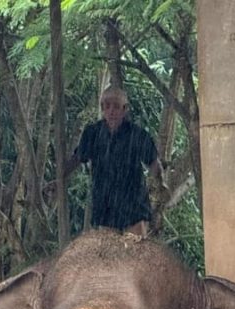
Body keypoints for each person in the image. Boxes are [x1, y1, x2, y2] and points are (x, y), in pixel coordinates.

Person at [53, 86, 164, 236]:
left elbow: (154, 164)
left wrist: (161, 185)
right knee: (108, 254)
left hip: (133, 206)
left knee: (137, 253)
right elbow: (77, 159)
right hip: (105, 206)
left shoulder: (138, 135)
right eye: (107, 105)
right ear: (102, 108)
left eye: (117, 106)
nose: (111, 111)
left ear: (125, 109)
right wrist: (59, 179)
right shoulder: (92, 133)